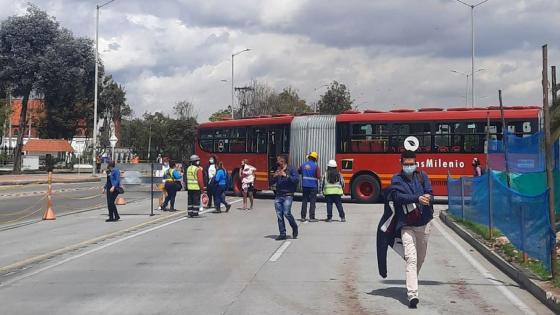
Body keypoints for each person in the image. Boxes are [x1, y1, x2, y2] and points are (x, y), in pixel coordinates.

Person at [379, 150, 433, 309]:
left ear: (416, 163)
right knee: (411, 258)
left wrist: (428, 198)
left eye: (412, 164)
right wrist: (417, 198)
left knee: (421, 257)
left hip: (424, 223)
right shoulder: (397, 179)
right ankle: (412, 295)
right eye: (406, 164)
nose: (410, 166)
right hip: (406, 225)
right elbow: (397, 198)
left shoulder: (423, 176)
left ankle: (411, 280)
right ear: (401, 163)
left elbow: (430, 193)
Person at [272, 155, 299, 241]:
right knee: (279, 215)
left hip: (288, 194)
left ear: (283, 161)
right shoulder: (278, 169)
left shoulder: (291, 169)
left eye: (278, 160)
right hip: (278, 195)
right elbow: (271, 182)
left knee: (287, 213)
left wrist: (286, 175)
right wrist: (275, 176)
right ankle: (282, 233)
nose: (277, 162)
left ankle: (294, 226)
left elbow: (296, 180)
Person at [298, 151, 321, 222]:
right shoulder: (316, 166)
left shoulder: (303, 165)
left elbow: (298, 171)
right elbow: (318, 176)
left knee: (304, 201)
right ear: (315, 159)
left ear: (309, 157)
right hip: (313, 186)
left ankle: (303, 217)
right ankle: (311, 217)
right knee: (312, 202)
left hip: (305, 185)